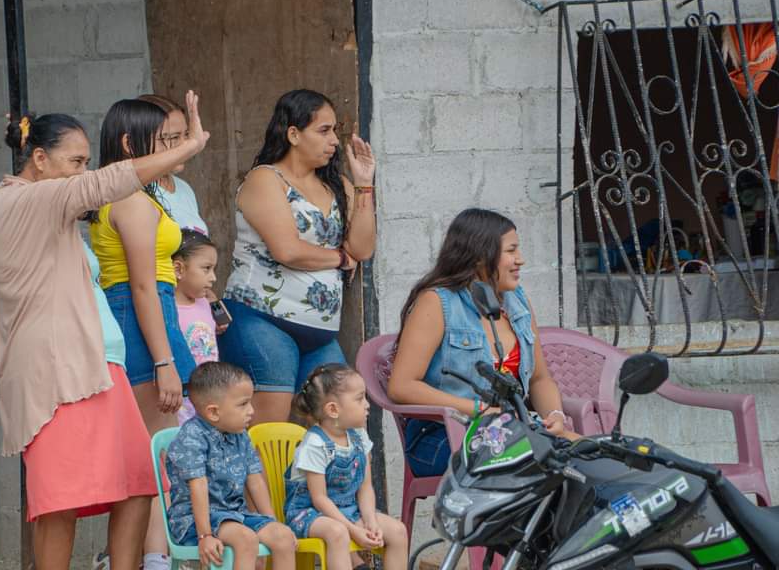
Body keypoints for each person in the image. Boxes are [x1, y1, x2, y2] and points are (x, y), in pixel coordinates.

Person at [0, 94, 209, 570]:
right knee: (60, 499)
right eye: (75, 162)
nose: (83, 172)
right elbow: (109, 182)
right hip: (58, 370)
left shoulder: (49, 209)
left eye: (86, 162)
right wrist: (187, 147)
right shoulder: (19, 200)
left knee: (138, 481)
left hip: (100, 365)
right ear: (39, 159)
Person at [219, 89, 377, 425]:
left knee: (340, 422)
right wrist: (340, 258)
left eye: (335, 131)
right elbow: (287, 250)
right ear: (293, 134)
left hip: (319, 332)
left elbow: (362, 249)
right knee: (272, 431)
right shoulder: (266, 178)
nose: (333, 140)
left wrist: (364, 185)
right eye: (324, 130)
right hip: (262, 320)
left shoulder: (337, 185)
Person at [89, 98, 200, 570]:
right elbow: (141, 287)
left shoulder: (138, 194)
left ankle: (152, 558)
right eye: (164, 141)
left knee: (155, 457)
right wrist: (163, 360)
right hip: (141, 320)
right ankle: (150, 559)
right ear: (130, 144)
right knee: (152, 456)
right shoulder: (131, 201)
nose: (173, 150)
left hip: (152, 315)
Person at [387, 208, 577, 480]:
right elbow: (401, 386)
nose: (520, 260)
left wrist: (555, 416)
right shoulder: (437, 302)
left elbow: (540, 379)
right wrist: (479, 410)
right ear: (479, 256)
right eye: (511, 250)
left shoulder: (517, 301)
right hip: (443, 436)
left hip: (512, 428)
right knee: (546, 460)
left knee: (590, 454)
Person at [165, 362, 297, 570]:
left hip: (236, 515)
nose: (251, 411)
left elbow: (255, 481)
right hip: (194, 521)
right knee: (246, 539)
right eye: (243, 404)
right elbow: (198, 486)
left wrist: (271, 520)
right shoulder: (192, 438)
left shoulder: (240, 435)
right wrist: (205, 535)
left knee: (283, 536)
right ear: (213, 412)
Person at [284, 365, 408, 570]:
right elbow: (319, 499)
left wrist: (370, 520)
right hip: (309, 514)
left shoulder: (359, 436)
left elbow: (365, 487)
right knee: (338, 533)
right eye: (359, 399)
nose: (367, 405)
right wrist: (352, 529)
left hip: (348, 509)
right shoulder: (315, 444)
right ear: (333, 410)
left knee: (397, 531)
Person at [172, 229, 226, 425]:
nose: (213, 278)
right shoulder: (168, 309)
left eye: (214, 269)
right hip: (182, 400)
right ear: (179, 269)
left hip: (209, 392)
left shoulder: (204, 302)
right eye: (206, 269)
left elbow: (218, 325)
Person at [138, 94, 209, 235]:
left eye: (186, 135)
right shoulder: (134, 195)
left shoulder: (184, 188)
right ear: (140, 141)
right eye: (174, 137)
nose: (185, 144)